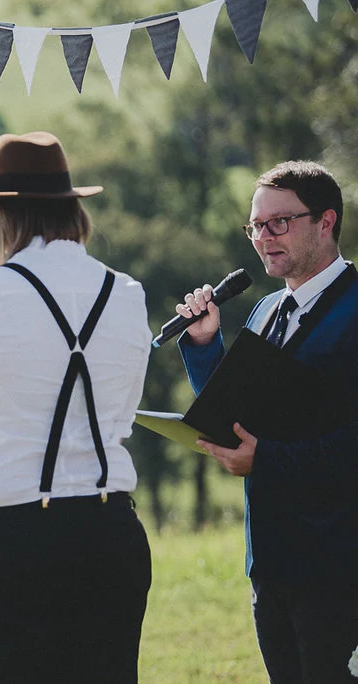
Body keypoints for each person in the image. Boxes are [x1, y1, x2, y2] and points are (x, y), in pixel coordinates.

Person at [0, 132, 152, 683]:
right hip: (107, 534)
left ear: (0, 217)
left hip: (3, 541)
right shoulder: (127, 293)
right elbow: (119, 419)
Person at [177, 160, 358, 683]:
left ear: (326, 221)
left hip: (340, 567)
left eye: (279, 222)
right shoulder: (263, 313)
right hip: (272, 564)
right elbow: (237, 412)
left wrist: (268, 459)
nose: (263, 237)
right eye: (255, 225)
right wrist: (205, 344)